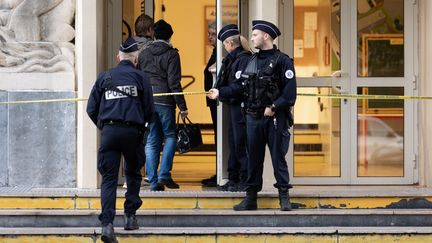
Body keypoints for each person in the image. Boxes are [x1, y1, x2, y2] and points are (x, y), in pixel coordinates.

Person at [87, 37, 154, 242]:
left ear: (119, 57)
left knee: (108, 180)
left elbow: (91, 109)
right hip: (133, 133)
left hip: (110, 133)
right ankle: (130, 217)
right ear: (135, 59)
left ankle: (107, 225)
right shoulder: (141, 78)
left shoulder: (105, 77)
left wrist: (105, 126)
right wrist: (142, 127)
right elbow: (150, 111)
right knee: (133, 174)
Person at [232, 20, 297, 211]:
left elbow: (290, 94)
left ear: (266, 36)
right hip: (253, 117)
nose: (251, 38)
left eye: (254, 35)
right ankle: (251, 198)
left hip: (274, 118)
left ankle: (284, 197)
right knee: (253, 159)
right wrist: (220, 91)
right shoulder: (251, 60)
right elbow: (241, 87)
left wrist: (275, 106)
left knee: (278, 158)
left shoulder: (282, 60)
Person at [138, 19, 188, 191]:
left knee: (152, 140)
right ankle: (164, 175)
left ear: (154, 34)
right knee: (170, 136)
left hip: (148, 100)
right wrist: (182, 106)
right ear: (169, 36)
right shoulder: (172, 54)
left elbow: (140, 77)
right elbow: (174, 82)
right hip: (165, 100)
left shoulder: (144, 53)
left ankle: (152, 181)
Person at [207, 24, 251, 191]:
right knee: (233, 143)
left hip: (241, 107)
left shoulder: (243, 59)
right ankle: (233, 178)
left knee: (240, 143)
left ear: (230, 43)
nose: (224, 47)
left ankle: (244, 179)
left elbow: (240, 86)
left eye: (224, 44)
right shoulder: (232, 59)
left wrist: (220, 91)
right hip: (233, 106)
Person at [201, 21, 218, 187]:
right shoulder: (216, 52)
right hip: (214, 102)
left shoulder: (222, 54)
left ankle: (222, 173)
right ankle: (220, 171)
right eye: (209, 34)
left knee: (221, 137)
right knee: (217, 136)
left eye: (212, 34)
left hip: (220, 102)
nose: (209, 37)